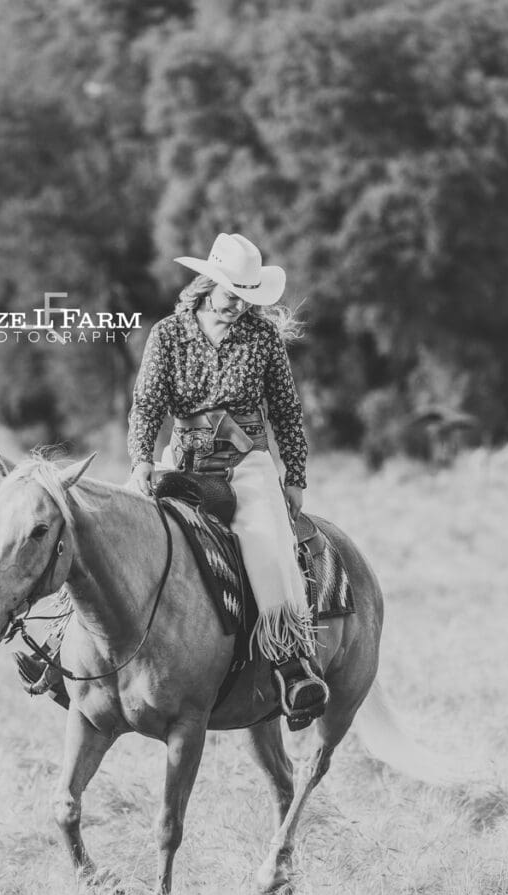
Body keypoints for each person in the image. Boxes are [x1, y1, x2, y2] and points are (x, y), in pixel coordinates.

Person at [127, 232, 328, 728]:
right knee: (119, 527)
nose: (239, 304)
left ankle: (291, 664)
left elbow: (286, 411)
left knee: (265, 546)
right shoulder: (168, 334)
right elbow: (147, 406)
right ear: (209, 283)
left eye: (248, 296)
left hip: (247, 467)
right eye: (233, 293)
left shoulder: (262, 339)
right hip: (182, 463)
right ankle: (66, 644)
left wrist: (295, 475)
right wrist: (140, 460)